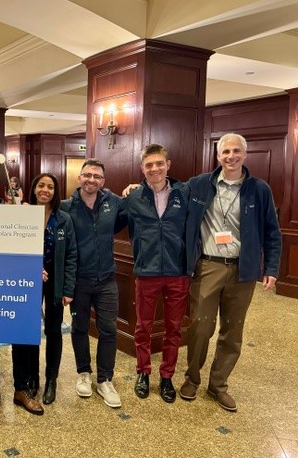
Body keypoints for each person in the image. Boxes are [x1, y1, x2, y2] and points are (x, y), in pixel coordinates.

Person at [179, 133, 281, 412]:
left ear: (245, 155)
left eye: (236, 151)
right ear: (218, 156)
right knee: (200, 327)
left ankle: (218, 385)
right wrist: (135, 189)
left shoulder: (259, 189)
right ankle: (192, 379)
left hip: (243, 271)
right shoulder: (200, 184)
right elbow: (170, 192)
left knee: (232, 332)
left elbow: (272, 232)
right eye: (225, 152)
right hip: (207, 266)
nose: (231, 156)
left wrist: (271, 268)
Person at [119, 145, 190, 403]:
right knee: (143, 327)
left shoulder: (184, 192)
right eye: (149, 165)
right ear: (142, 169)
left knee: (173, 329)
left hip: (177, 272)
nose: (155, 169)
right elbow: (114, 222)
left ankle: (167, 376)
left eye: (159, 163)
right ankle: (143, 372)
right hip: (146, 272)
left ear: (168, 164)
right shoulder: (134, 196)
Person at [0, 169, 44, 415]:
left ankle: (21, 389)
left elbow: (28, 247)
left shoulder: (15, 213)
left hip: (13, 285)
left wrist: (37, 269)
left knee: (19, 337)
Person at [60, 158, 127, 408]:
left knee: (108, 329)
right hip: (79, 281)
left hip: (107, 279)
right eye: (87, 175)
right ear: (80, 178)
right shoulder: (66, 207)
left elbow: (129, 214)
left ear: (103, 181)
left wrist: (133, 189)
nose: (91, 180)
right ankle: (83, 373)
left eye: (97, 177)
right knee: (79, 327)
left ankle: (104, 379)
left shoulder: (113, 202)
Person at [28, 173, 77, 405]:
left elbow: (71, 256)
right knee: (28, 330)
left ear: (55, 192)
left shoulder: (64, 219)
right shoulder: (24, 215)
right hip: (28, 279)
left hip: (55, 281)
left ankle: (51, 379)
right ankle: (32, 377)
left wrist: (68, 288)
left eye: (50, 187)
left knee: (53, 330)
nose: (45, 190)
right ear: (34, 188)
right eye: (41, 185)